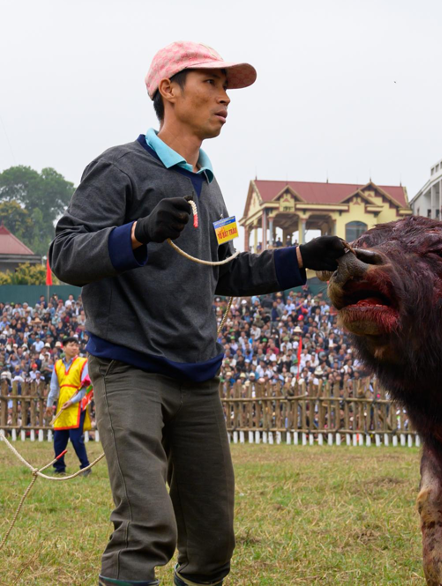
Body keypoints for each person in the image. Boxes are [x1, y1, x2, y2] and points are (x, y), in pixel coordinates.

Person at [49, 41, 348, 586]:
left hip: (198, 378)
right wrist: (137, 232)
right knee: (146, 529)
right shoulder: (119, 167)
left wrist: (301, 258)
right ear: (168, 90)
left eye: (227, 87)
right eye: (210, 83)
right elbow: (65, 255)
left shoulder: (208, 185)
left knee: (212, 543)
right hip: (130, 370)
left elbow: (227, 270)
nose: (225, 98)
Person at [44, 336, 91, 475]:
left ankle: (85, 466)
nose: (75, 347)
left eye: (76, 345)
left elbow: (85, 387)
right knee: (59, 439)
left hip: (76, 406)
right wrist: (49, 404)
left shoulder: (83, 363)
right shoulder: (57, 364)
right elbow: (53, 386)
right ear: (63, 347)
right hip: (62, 404)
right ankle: (59, 468)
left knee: (76, 439)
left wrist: (73, 401)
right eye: (71, 345)